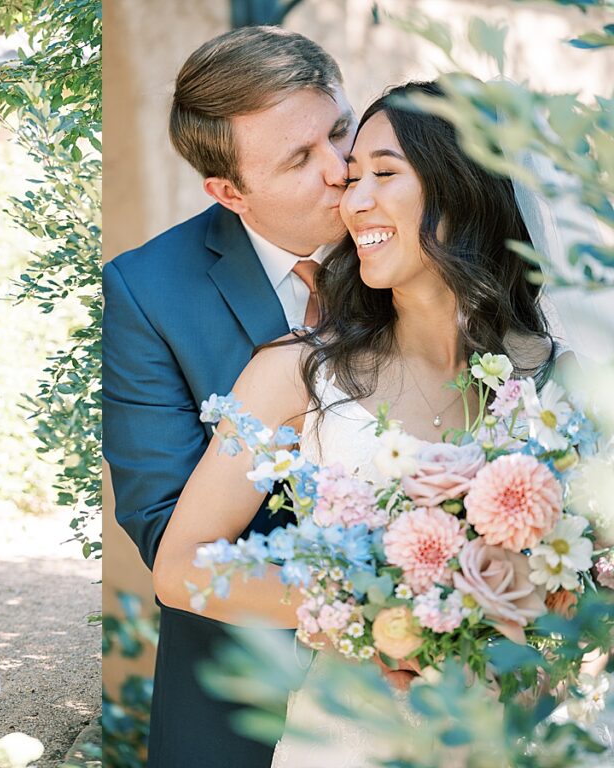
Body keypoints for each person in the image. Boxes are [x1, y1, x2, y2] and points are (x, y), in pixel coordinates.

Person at [152, 80, 568, 767]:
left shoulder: (558, 382)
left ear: (460, 188)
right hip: (350, 741)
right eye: (352, 180)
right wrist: (370, 611)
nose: (355, 200)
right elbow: (177, 568)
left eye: (383, 174)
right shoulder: (299, 374)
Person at [101, 26, 355, 767]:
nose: (341, 170)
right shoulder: (149, 290)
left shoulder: (417, 245)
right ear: (228, 191)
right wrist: (375, 605)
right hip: (235, 688)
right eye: (300, 158)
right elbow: (161, 522)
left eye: (339, 130)